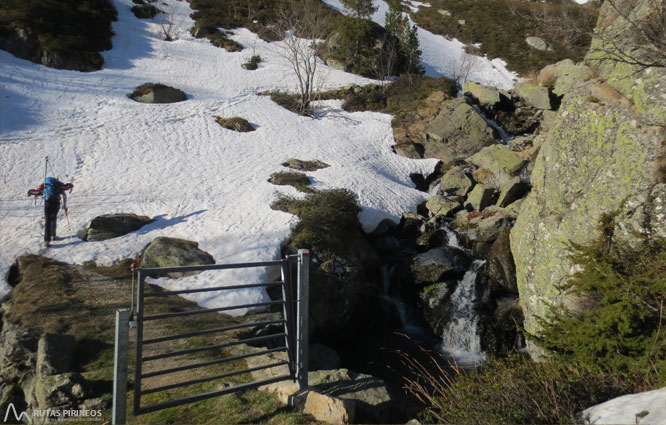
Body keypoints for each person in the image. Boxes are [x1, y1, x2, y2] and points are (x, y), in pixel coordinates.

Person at [28, 177, 74, 247]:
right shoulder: (58, 184)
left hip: (48, 203)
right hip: (56, 202)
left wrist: (30, 192)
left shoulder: (45, 184)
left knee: (48, 221)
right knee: (54, 218)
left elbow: (38, 192)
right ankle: (53, 235)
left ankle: (47, 240)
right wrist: (65, 205)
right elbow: (65, 189)